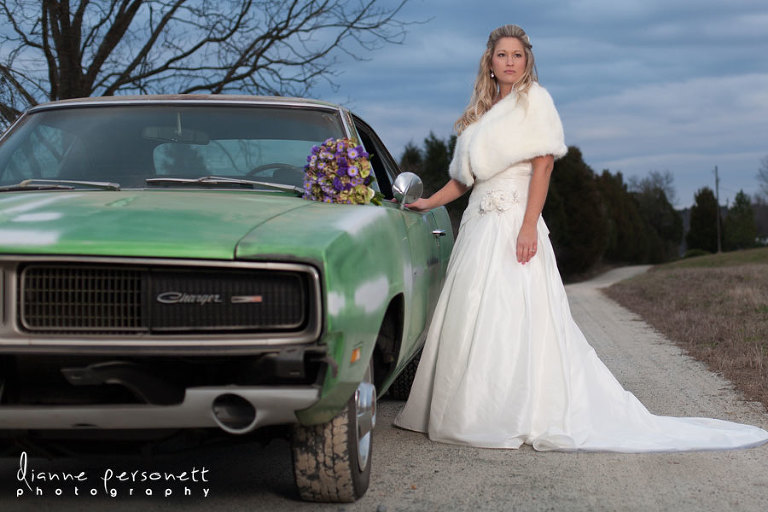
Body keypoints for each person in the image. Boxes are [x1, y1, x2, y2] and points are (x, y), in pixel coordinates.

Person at [393, 24, 768, 452]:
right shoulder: (479, 114)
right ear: (490, 63)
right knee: (474, 313)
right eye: (502, 55)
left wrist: (529, 224)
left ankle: (517, 411)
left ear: (527, 61)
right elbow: (462, 181)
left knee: (516, 313)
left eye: (518, 55)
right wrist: (428, 202)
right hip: (479, 225)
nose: (510, 62)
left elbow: (543, 167)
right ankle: (468, 408)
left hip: (516, 219)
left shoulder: (535, 103)